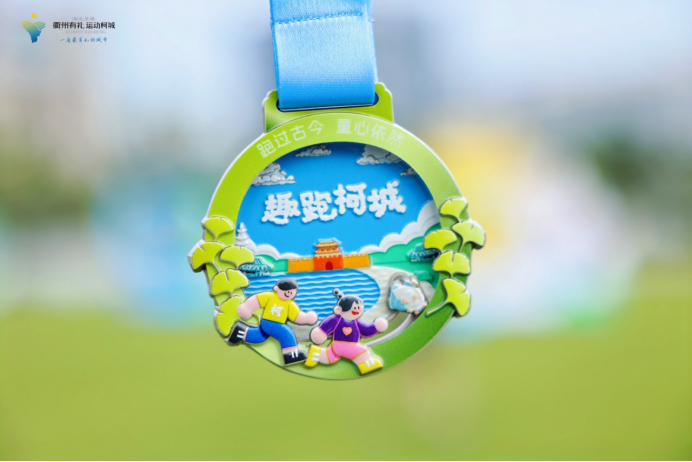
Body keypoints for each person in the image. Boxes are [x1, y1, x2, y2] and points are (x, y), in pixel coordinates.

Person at [228, 278, 318, 366]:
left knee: (259, 336)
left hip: (270, 324)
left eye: (291, 292)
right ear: (277, 289)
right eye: (286, 291)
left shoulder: (290, 304)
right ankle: (290, 355)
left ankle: (239, 332)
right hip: (270, 323)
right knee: (286, 333)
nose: (288, 293)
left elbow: (297, 316)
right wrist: (247, 307)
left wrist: (307, 318)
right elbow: (257, 300)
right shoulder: (270, 297)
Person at [305, 289, 388, 375]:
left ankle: (315, 354)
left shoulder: (356, 322)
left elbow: (366, 330)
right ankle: (367, 365)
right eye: (354, 308)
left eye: (358, 308)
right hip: (343, 345)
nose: (357, 310)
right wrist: (320, 333)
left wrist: (376, 327)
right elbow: (327, 325)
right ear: (339, 309)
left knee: (330, 357)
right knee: (362, 351)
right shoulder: (336, 319)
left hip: (338, 346)